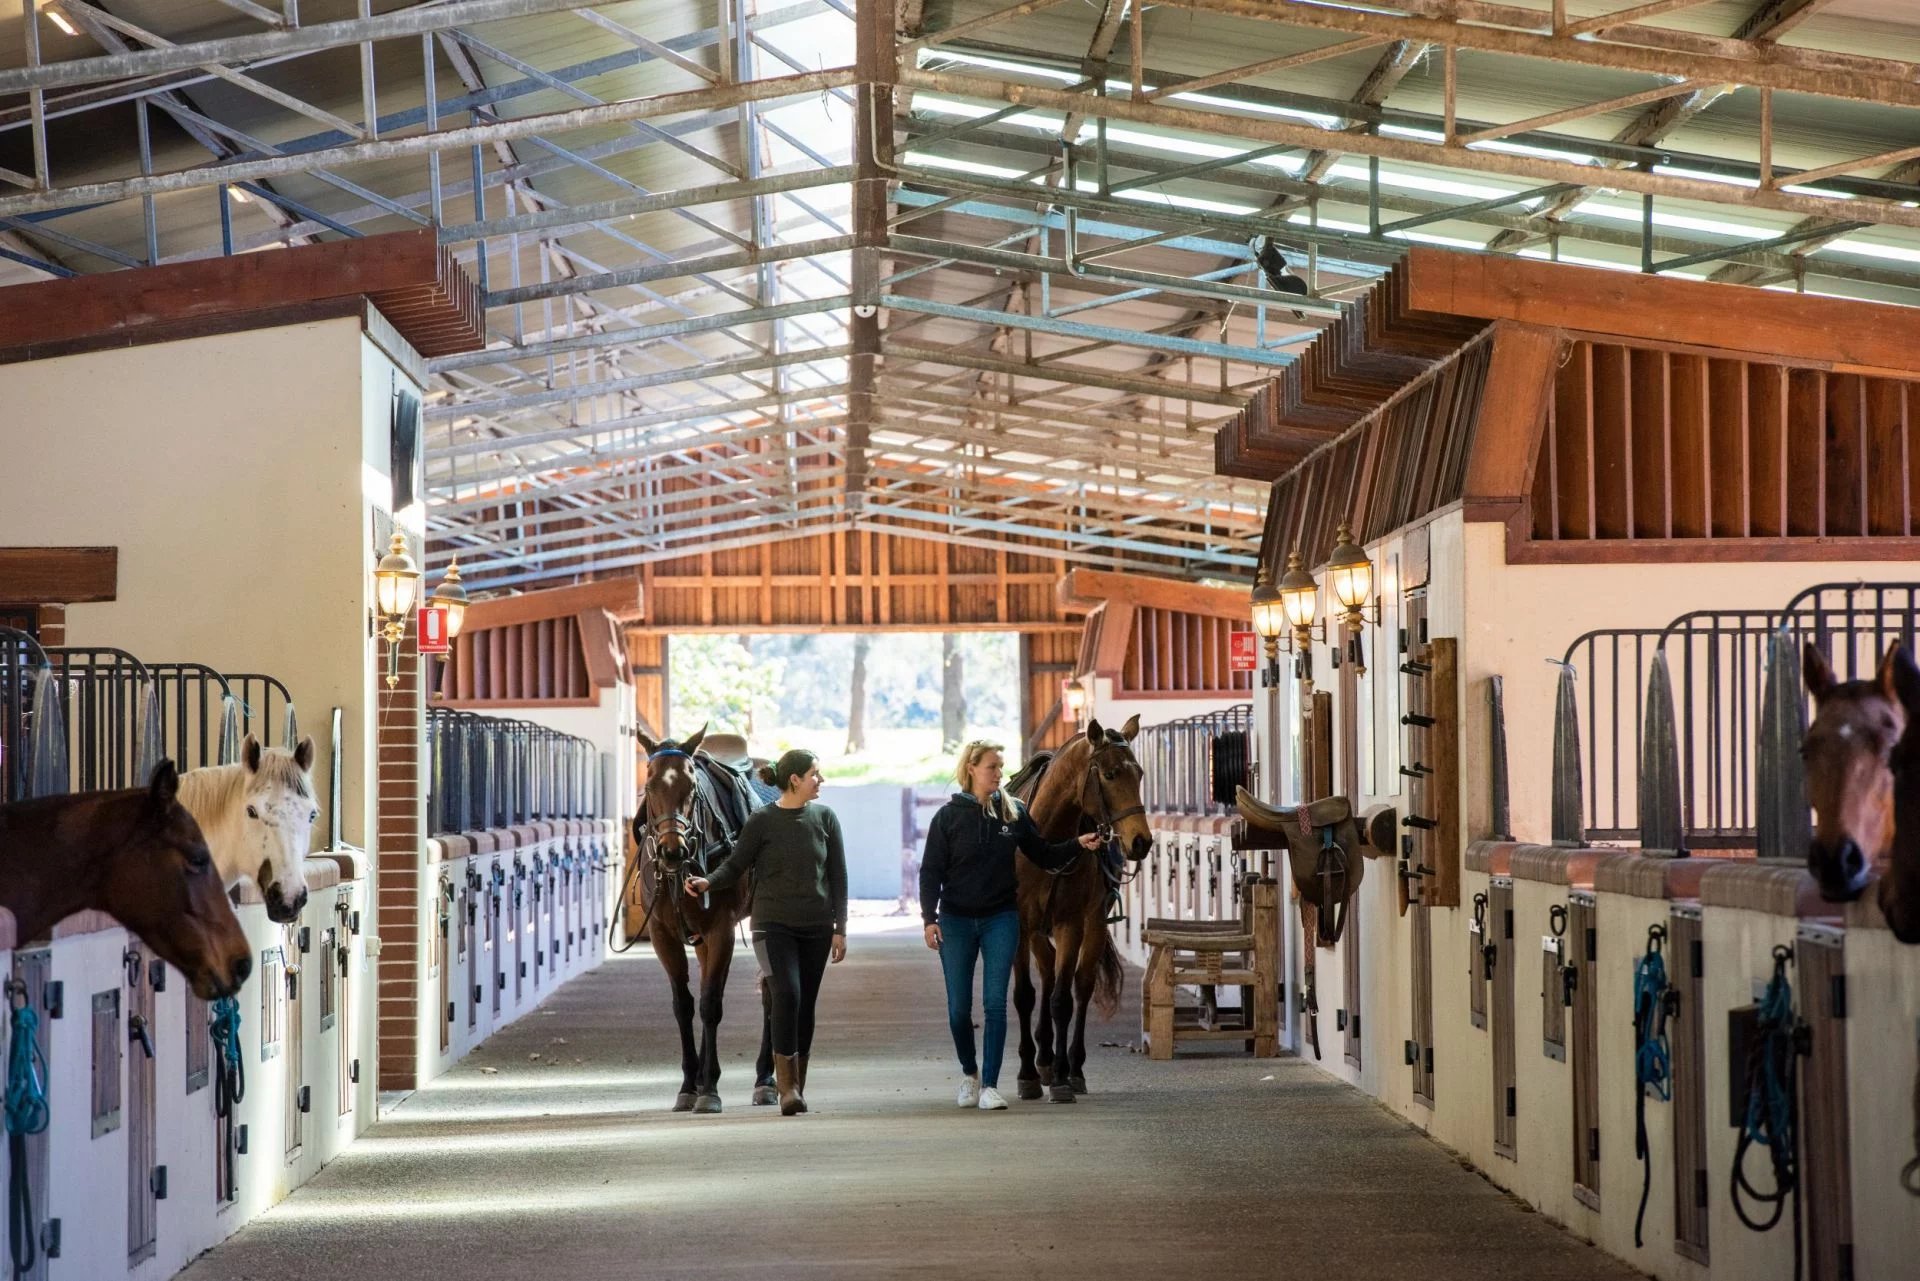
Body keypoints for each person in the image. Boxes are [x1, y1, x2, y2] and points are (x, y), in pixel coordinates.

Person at [920, 740, 1104, 1111]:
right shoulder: (947, 818)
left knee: (995, 1005)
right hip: (955, 920)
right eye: (992, 767)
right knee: (958, 1010)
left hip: (1001, 919)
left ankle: (990, 1084)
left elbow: (1044, 854)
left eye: (1001, 767)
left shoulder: (1014, 813)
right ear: (971, 769)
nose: (999, 774)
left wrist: (1078, 844)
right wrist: (929, 918)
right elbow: (931, 871)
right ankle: (970, 1073)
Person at [687, 749, 846, 1117]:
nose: (820, 781)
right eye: (815, 775)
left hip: (817, 926)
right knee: (786, 994)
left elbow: (839, 876)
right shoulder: (762, 822)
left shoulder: (826, 819)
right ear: (795, 780)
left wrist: (841, 928)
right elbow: (736, 864)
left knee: (805, 1003)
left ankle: (798, 1085)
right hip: (772, 925)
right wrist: (707, 882)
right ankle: (785, 1087)